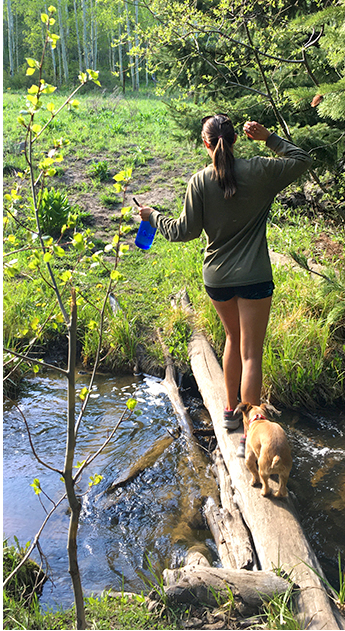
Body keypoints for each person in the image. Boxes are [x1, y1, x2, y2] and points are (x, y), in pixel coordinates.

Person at [137, 116, 311, 458]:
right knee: (251, 354)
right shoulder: (261, 170)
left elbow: (182, 231)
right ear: (236, 140)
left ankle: (230, 412)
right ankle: (251, 432)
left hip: (217, 278)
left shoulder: (199, 181)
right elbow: (302, 161)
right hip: (255, 276)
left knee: (232, 339)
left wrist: (152, 215)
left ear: (206, 144)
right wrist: (270, 138)